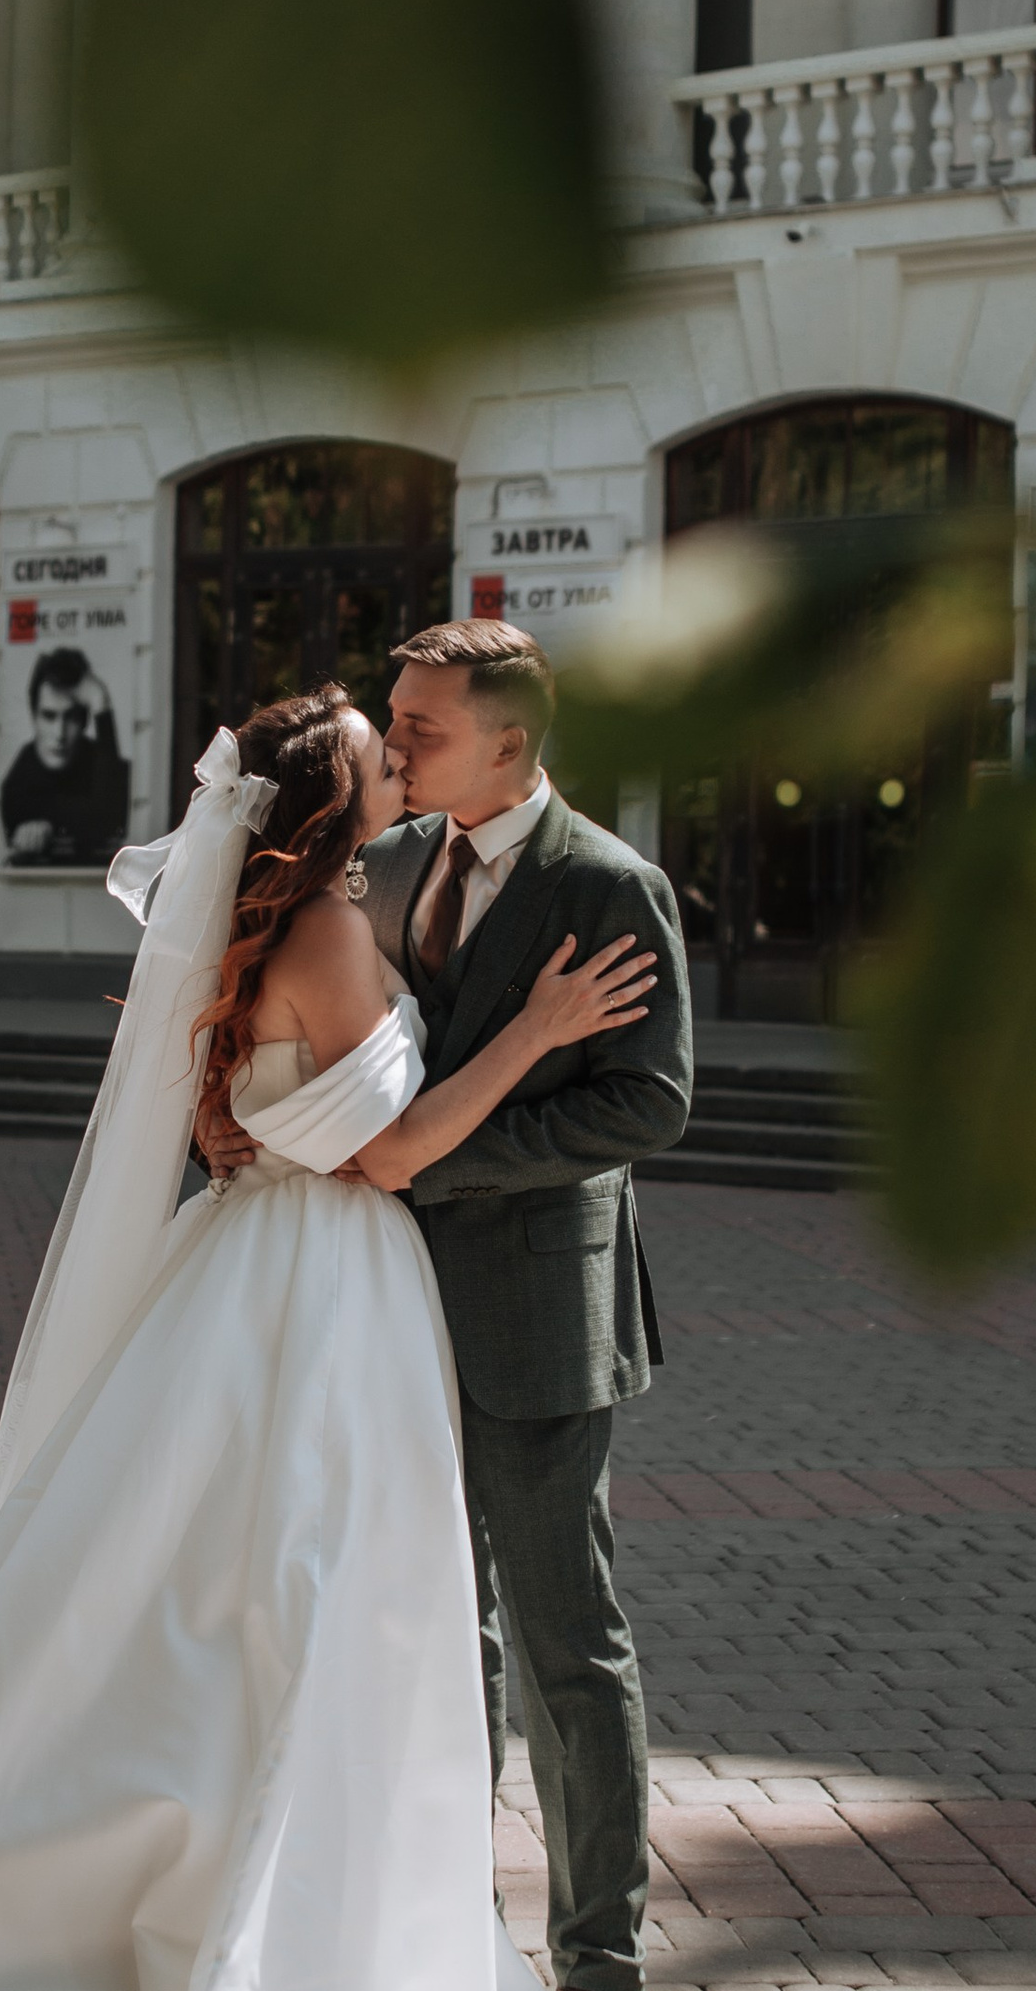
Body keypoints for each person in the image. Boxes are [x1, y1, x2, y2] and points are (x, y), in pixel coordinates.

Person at [0, 683, 658, 1991]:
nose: (402, 757)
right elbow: (392, 1148)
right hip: (324, 1280)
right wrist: (540, 1031)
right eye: (384, 754)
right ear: (335, 801)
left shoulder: (304, 916)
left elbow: (263, 1105)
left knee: (244, 1586)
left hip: (258, 1262)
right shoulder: (322, 929)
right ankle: (285, 1907)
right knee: (312, 1589)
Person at [207, 621, 693, 1991]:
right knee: (434, 1635)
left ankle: (598, 1953)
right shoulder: (395, 861)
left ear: (512, 742)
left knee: (565, 1648)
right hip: (385, 1308)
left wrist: (433, 1163)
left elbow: (648, 1099)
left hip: (537, 1321)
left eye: (421, 727)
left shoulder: (611, 884)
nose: (397, 742)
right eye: (397, 723)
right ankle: (439, 1925)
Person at [0, 646, 131, 865]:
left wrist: (100, 702)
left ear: (85, 721)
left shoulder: (108, 764)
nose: (59, 734)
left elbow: (112, 821)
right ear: (34, 717)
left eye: (70, 718)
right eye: (49, 716)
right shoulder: (17, 782)